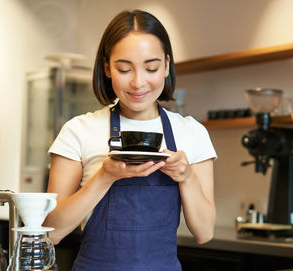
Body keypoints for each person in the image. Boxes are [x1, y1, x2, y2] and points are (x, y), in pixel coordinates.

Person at [42, 10, 217, 271]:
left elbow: (204, 233)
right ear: (107, 68)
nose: (138, 82)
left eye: (151, 68)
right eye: (124, 69)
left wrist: (187, 177)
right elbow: (49, 233)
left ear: (167, 65)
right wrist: (104, 177)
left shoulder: (192, 132)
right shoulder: (78, 130)